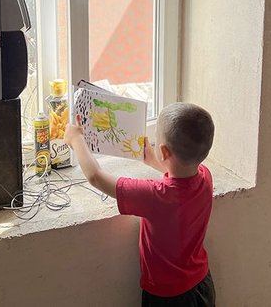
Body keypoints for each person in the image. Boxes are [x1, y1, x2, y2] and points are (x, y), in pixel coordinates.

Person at [64, 102, 216, 306]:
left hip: (167, 297)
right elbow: (182, 175)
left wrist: (76, 139)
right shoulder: (205, 178)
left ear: (164, 151)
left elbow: (96, 177)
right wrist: (154, 160)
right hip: (202, 286)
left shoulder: (155, 196)